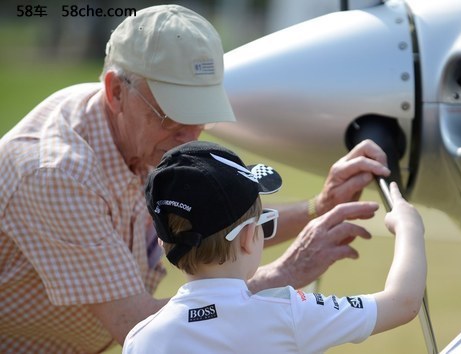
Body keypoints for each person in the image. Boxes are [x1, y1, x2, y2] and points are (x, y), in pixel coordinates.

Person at [0, 4, 390, 353]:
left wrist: (316, 207)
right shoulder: (56, 174)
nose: (188, 136)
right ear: (116, 91)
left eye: (200, 112)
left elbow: (220, 227)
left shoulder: (128, 126)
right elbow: (139, 324)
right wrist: (284, 275)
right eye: (171, 113)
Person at [122, 141, 426, 354]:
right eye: (263, 223)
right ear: (247, 238)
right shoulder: (288, 314)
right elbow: (402, 302)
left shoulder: (141, 339)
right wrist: (409, 226)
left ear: (164, 242)